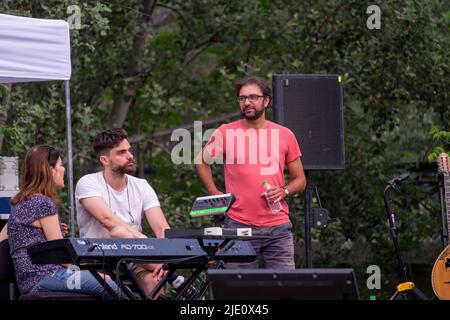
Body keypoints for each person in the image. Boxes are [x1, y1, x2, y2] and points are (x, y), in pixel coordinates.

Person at [196, 76, 307, 269]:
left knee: (286, 287)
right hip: (239, 226)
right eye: (242, 98)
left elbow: (300, 180)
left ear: (266, 101)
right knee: (239, 289)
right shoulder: (225, 132)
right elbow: (201, 161)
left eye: (253, 97)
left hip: (278, 227)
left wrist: (284, 191)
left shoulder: (285, 134)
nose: (247, 102)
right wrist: (216, 195)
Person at [7, 144, 120, 299]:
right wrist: (87, 270)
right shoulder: (43, 203)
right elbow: (61, 255)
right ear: (50, 170)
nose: (63, 169)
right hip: (46, 276)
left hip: (29, 280)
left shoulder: (19, 202)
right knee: (108, 284)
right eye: (60, 165)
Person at [75, 128, 170, 296]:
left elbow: (161, 227)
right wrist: (144, 242)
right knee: (119, 233)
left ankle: (160, 268)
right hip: (99, 257)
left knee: (156, 281)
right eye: (121, 152)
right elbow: (107, 219)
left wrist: (167, 260)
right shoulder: (87, 182)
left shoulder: (141, 185)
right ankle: (162, 268)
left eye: (129, 150)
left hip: (136, 258)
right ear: (104, 160)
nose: (130, 155)